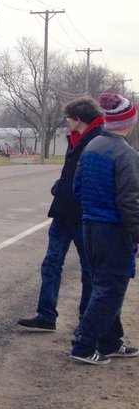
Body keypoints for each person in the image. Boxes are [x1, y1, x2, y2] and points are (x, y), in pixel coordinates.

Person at [18, 97, 104, 332]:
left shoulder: (97, 140)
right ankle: (46, 315)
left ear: (78, 119)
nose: (67, 122)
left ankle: (86, 318)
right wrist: (60, 185)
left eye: (68, 118)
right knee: (51, 264)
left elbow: (88, 177)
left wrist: (65, 188)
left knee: (89, 269)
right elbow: (71, 172)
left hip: (83, 215)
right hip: (63, 213)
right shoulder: (76, 139)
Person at [69, 93, 139, 364]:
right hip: (112, 229)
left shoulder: (92, 146)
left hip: (89, 226)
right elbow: (130, 201)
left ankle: (110, 341)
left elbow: (77, 187)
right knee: (110, 289)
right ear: (128, 123)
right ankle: (83, 346)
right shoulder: (126, 154)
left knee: (103, 284)